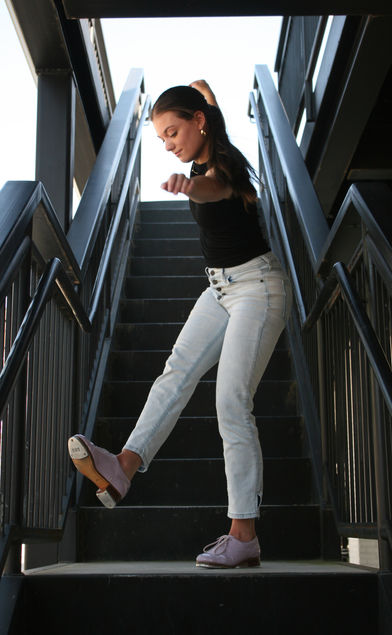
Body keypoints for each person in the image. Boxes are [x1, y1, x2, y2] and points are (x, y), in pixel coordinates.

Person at [68, 80, 292, 568]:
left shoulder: (222, 169)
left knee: (231, 400)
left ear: (198, 123)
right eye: (161, 138)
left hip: (259, 288)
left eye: (173, 132)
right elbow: (209, 103)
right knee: (176, 371)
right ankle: (123, 466)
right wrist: (202, 91)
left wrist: (191, 187)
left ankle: (243, 535)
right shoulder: (209, 136)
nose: (168, 145)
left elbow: (214, 188)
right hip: (219, 289)